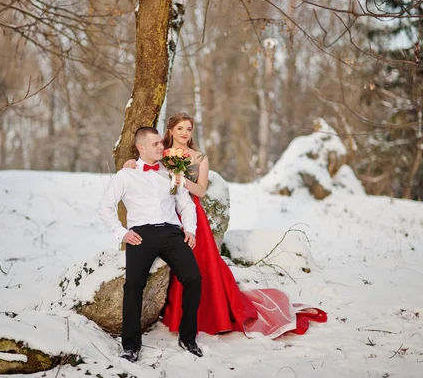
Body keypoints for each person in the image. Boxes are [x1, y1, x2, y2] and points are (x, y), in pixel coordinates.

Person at [124, 113, 327, 338]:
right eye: (180, 128)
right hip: (163, 214)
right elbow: (143, 165)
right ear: (170, 131)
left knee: (198, 266)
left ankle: (199, 316)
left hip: (190, 213)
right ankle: (167, 311)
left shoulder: (199, 157)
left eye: (188, 129)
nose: (184, 133)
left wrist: (182, 180)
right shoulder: (160, 152)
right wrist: (129, 163)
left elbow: (200, 190)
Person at [97, 127, 204, 363]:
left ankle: (188, 338)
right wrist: (122, 233)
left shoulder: (171, 172)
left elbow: (186, 204)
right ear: (141, 148)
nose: (161, 147)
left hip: (171, 233)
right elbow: (105, 207)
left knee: (194, 279)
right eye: (155, 144)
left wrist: (190, 229)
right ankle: (131, 346)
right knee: (134, 285)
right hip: (141, 234)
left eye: (161, 143)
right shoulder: (126, 175)